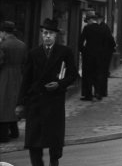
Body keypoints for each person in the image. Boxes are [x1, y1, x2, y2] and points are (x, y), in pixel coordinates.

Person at [15, 18, 78, 166]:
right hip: (36, 101)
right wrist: (20, 103)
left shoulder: (65, 52)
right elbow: (26, 80)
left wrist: (59, 84)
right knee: (33, 140)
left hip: (54, 101)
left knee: (54, 140)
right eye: (44, 33)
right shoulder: (33, 53)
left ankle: (54, 160)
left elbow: (73, 74)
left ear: (56, 36)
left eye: (50, 33)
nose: (47, 36)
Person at [0, 21, 27, 143]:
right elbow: (25, 61)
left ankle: (3, 134)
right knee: (14, 101)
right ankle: (14, 131)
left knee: (4, 103)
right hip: (18, 75)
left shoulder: (3, 45)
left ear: (3, 32)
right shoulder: (22, 44)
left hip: (5, 75)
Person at [78, 13, 114, 101]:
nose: (87, 23)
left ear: (90, 20)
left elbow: (80, 42)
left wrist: (83, 50)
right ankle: (98, 93)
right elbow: (110, 42)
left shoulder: (87, 28)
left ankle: (88, 95)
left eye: (87, 21)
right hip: (100, 56)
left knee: (87, 75)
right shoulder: (103, 28)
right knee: (98, 74)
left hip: (88, 55)